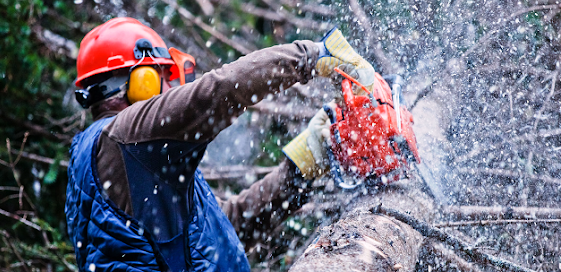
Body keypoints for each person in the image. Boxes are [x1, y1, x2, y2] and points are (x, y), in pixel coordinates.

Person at [65, 17, 374, 272]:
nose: (171, 87)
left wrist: (301, 165)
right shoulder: (126, 136)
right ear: (141, 80)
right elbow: (218, 91)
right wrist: (312, 56)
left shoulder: (133, 159)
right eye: (163, 76)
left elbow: (221, 231)